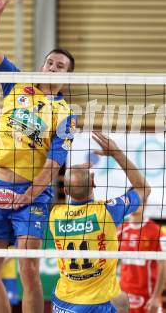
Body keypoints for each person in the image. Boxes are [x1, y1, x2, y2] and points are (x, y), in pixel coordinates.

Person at [0, 0, 76, 313]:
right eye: (50, 62)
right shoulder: (18, 82)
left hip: (33, 195)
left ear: (68, 77)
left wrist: (28, 195)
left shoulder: (65, 115)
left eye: (60, 67)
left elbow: (53, 164)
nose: (53, 68)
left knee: (28, 269)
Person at [49, 131, 151, 313]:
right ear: (94, 182)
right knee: (121, 300)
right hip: (95, 304)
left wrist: (75, 173)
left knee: (122, 300)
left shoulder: (55, 215)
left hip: (62, 301)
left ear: (64, 190)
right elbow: (144, 189)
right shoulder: (108, 212)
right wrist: (117, 153)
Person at [118, 203, 165, 313]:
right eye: (134, 201)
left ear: (145, 202)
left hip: (148, 296)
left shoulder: (156, 231)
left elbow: (163, 266)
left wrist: (155, 297)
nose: (136, 205)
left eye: (140, 201)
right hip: (123, 293)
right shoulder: (121, 229)